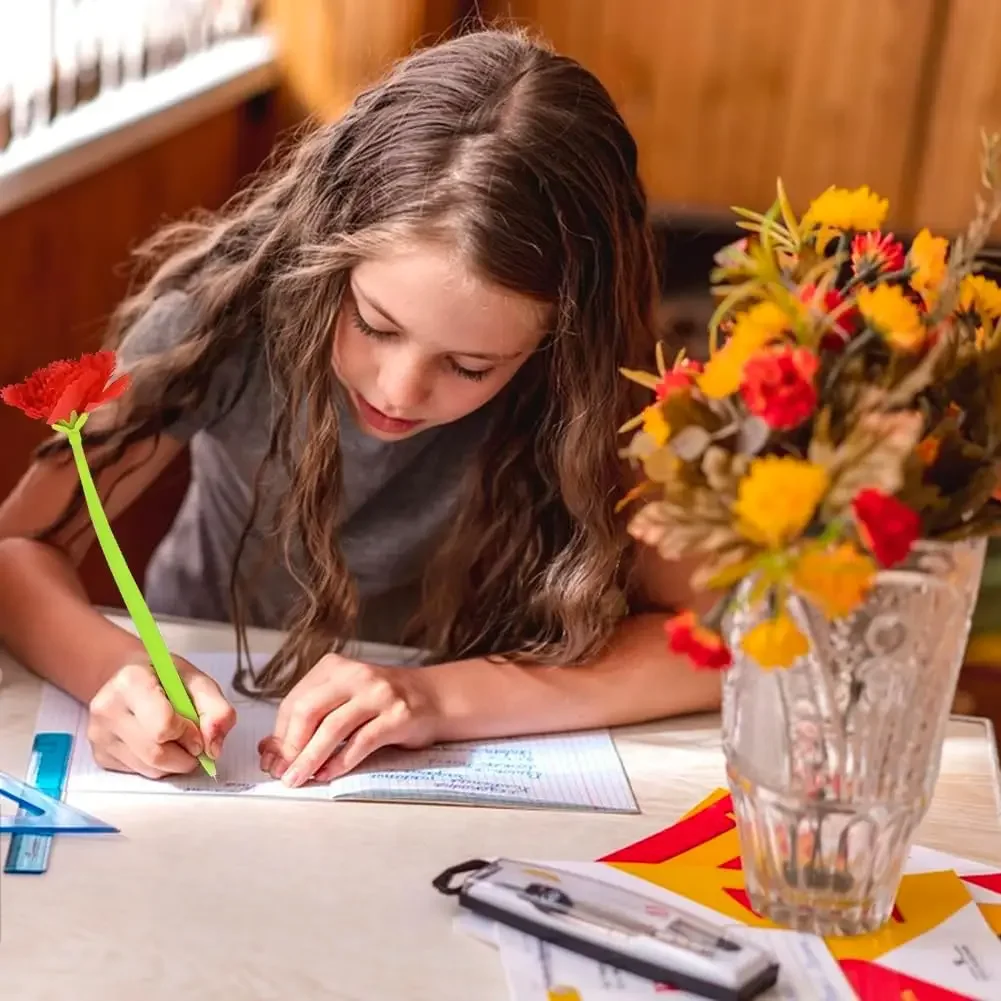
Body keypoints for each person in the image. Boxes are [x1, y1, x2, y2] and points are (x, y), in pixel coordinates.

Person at [0, 28, 720, 788]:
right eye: (375, 324)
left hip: (448, 735)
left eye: (471, 365)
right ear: (326, 249)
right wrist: (118, 672)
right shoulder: (224, 315)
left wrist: (435, 696)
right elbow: (18, 550)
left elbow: (714, 639)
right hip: (215, 710)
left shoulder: (612, 390)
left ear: (560, 342)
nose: (398, 390)